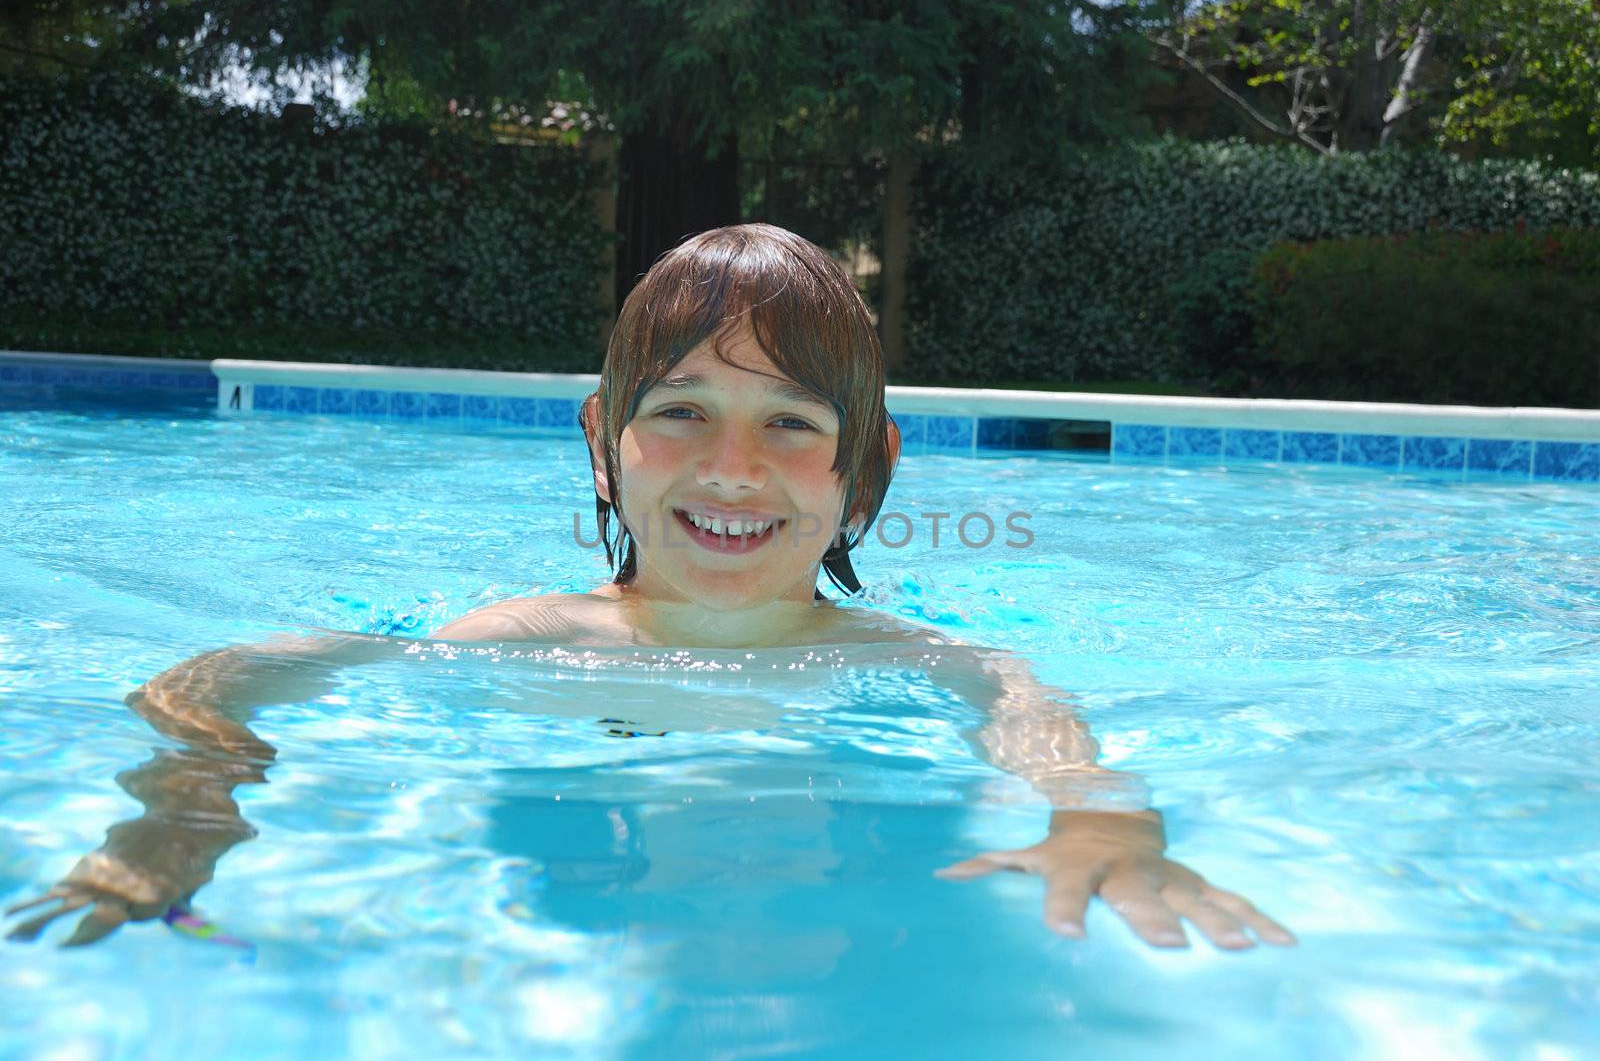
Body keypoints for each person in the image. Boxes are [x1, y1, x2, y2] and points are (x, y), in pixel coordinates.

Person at [5, 223, 1293, 953]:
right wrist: (186, 810)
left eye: (792, 424)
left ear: (864, 475)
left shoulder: (911, 662)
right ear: (604, 449)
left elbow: (1042, 724)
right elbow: (221, 676)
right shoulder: (522, 638)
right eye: (681, 411)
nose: (733, 469)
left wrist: (1104, 829)